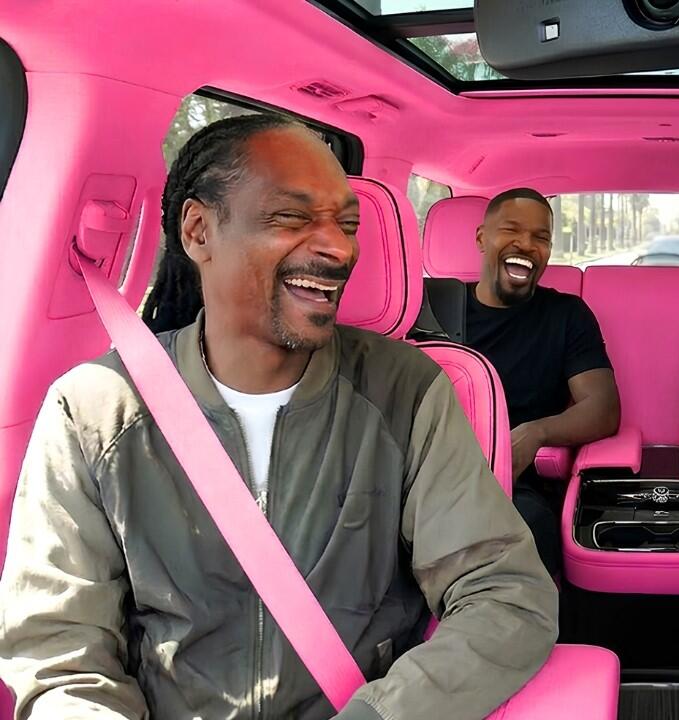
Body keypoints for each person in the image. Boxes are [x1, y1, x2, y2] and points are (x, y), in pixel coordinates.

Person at [0, 114, 557, 720]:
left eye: (348, 225)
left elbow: (506, 595)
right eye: (291, 218)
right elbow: (61, 654)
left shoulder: (407, 393)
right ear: (198, 231)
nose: (339, 247)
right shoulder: (94, 410)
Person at [464, 188, 621, 575]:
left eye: (541, 237)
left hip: (513, 483)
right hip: (428, 475)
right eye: (511, 230)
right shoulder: (429, 308)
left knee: (528, 526)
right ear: (482, 238)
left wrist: (536, 433)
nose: (526, 244)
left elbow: (603, 409)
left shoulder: (566, 315)